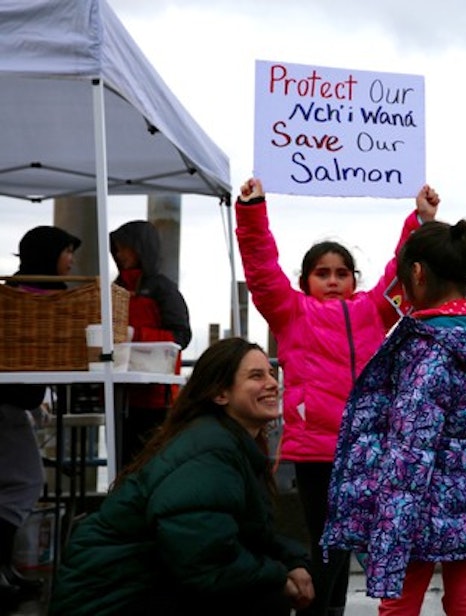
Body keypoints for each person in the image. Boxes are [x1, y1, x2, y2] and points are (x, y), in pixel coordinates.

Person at [235, 177, 440, 616]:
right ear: (305, 279)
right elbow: (260, 268)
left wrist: (420, 221)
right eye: (322, 273)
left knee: (342, 543)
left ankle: (330, 612)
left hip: (365, 448)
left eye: (341, 273)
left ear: (353, 279)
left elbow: (401, 270)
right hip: (315, 450)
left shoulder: (374, 310)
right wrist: (252, 211)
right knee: (327, 540)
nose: (332, 280)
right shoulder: (289, 311)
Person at [321, 218, 466, 615]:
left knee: (399, 604)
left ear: (417, 274)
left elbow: (411, 446)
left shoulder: (427, 348)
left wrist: (391, 523)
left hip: (420, 510)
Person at [49, 337, 316, 616]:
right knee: (264, 598)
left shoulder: (225, 443)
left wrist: (292, 561)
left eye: (271, 374)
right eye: (256, 376)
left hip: (138, 587)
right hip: (110, 600)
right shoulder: (209, 452)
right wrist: (278, 577)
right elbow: (205, 561)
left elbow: (249, 533)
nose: (272, 383)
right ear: (220, 394)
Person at [0, 225, 81, 608]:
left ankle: (6, 569)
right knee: (27, 482)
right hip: (9, 404)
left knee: (17, 483)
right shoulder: (50, 298)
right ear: (50, 254)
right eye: (67, 252)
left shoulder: (11, 291)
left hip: (15, 403)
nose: (71, 261)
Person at [109, 220, 192, 469]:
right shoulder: (116, 288)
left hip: (157, 394)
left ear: (140, 248)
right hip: (119, 391)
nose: (120, 254)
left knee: (152, 461)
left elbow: (181, 336)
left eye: (125, 248)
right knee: (121, 459)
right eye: (117, 249)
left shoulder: (163, 290)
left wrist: (136, 335)